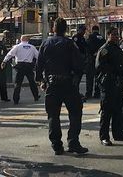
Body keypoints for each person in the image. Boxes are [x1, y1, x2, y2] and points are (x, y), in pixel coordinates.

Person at [35, 17, 87, 155]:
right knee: (75, 113)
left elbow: (39, 65)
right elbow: (79, 65)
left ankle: (56, 145)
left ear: (53, 29)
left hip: (52, 84)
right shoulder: (70, 44)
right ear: (65, 30)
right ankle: (73, 142)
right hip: (68, 83)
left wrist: (41, 81)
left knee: (53, 115)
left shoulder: (46, 44)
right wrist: (76, 80)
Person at [96, 28, 123, 145]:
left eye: (117, 35)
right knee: (106, 111)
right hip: (108, 84)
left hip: (118, 83)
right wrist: (113, 72)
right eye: (113, 34)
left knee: (117, 110)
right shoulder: (104, 49)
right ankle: (104, 137)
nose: (116, 37)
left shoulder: (117, 49)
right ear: (108, 35)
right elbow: (100, 66)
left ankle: (118, 133)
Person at [2, 34, 41, 105]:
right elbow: (38, 56)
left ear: (21, 39)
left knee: (18, 84)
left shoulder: (17, 47)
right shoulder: (32, 47)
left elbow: (9, 54)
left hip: (20, 66)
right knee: (32, 82)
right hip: (29, 66)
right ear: (28, 40)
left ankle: (16, 99)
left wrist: (4, 61)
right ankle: (36, 96)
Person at [86, 26, 104, 99]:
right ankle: (97, 93)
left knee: (90, 78)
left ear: (92, 30)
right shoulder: (102, 38)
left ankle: (89, 93)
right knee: (98, 77)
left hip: (91, 60)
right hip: (100, 60)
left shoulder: (90, 37)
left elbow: (87, 47)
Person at [72, 26, 89, 98]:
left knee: (79, 76)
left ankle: (76, 92)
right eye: (83, 30)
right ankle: (74, 93)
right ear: (79, 30)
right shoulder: (76, 37)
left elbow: (85, 46)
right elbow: (75, 48)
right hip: (77, 59)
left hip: (82, 59)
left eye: (84, 30)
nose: (84, 32)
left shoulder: (82, 38)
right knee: (76, 77)